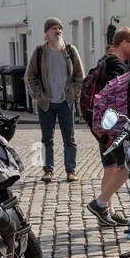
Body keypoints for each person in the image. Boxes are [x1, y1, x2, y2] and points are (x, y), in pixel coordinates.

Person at [86, 27, 130, 227]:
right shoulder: (116, 65)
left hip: (103, 123)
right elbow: (117, 99)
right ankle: (102, 208)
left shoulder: (105, 60)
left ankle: (108, 209)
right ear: (124, 43)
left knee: (112, 166)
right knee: (119, 166)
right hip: (111, 126)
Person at [25, 17, 85, 183]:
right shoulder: (39, 52)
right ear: (46, 32)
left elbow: (80, 76)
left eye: (59, 28)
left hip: (66, 102)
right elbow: (30, 76)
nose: (58, 31)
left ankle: (70, 171)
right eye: (54, 28)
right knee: (46, 139)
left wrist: (74, 94)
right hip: (46, 103)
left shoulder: (70, 51)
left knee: (70, 139)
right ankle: (48, 170)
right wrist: (38, 95)